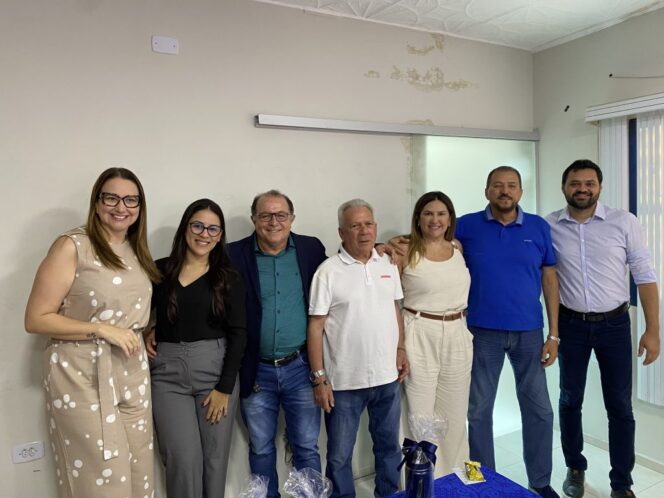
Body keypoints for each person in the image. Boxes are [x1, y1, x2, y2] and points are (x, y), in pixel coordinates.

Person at [25, 167, 160, 497]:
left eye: (131, 200)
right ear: (97, 202)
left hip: (132, 372)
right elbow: (36, 319)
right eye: (111, 198)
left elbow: (126, 306)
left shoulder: (136, 250)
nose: (121, 207)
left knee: (139, 472)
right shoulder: (73, 246)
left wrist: (143, 331)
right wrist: (102, 329)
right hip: (81, 374)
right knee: (102, 477)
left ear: (140, 206)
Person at [546, 159, 660, 498]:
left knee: (620, 407)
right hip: (570, 325)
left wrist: (653, 330)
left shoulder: (624, 222)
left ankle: (621, 484)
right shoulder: (549, 226)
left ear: (599, 187)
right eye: (575, 183)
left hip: (615, 325)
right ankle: (575, 467)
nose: (582, 189)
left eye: (589, 183)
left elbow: (645, 276)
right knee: (570, 400)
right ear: (564, 187)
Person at [456, 166, 560, 498]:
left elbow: (550, 278)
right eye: (498, 185)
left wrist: (554, 334)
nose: (505, 191)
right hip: (480, 332)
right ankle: (480, 481)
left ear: (520, 192)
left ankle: (540, 482)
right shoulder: (466, 225)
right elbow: (429, 241)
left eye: (512, 185)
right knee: (477, 411)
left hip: (529, 332)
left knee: (540, 410)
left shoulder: (538, 227)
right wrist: (390, 245)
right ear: (487, 191)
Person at [308, 199, 409, 498]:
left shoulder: (388, 264)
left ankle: (388, 495)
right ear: (342, 232)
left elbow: (395, 308)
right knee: (340, 457)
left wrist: (401, 348)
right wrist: (319, 378)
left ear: (375, 228)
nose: (363, 231)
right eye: (355, 225)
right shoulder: (327, 271)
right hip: (344, 383)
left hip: (387, 377)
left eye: (368, 224)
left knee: (389, 448)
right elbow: (315, 327)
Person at [145, 198, 246, 498]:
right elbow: (139, 311)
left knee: (215, 457)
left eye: (213, 229)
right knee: (182, 458)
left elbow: (239, 333)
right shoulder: (160, 270)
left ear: (220, 235)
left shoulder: (228, 276)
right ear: (185, 228)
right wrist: (148, 330)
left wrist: (224, 388)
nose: (205, 234)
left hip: (215, 374)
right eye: (198, 226)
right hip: (167, 376)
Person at [228, 189, 326, 498]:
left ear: (292, 218)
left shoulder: (310, 249)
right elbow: (190, 270)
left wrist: (379, 249)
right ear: (254, 219)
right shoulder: (233, 254)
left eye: (281, 215)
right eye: (266, 215)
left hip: (300, 367)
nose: (274, 222)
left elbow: (340, 271)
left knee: (306, 446)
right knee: (261, 448)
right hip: (255, 371)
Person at [391, 191, 472, 477]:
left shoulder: (457, 248)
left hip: (457, 332)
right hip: (419, 330)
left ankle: (454, 477)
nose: (435, 219)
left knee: (454, 412)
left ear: (450, 219)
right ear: (418, 218)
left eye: (441, 214)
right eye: (428, 213)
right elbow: (392, 301)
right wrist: (400, 345)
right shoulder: (403, 251)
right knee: (419, 414)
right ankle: (421, 481)